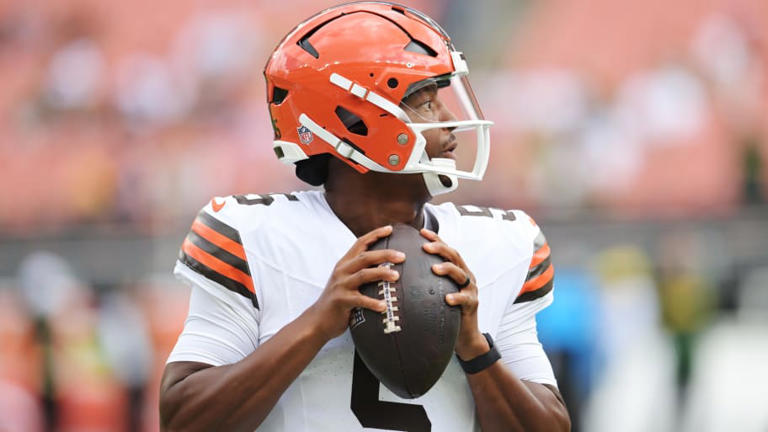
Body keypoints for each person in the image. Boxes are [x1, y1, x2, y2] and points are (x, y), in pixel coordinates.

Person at [159, 3, 570, 431]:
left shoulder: (502, 243)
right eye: (427, 104)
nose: (450, 122)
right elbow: (184, 421)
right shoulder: (251, 237)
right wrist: (315, 326)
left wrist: (475, 348)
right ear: (356, 122)